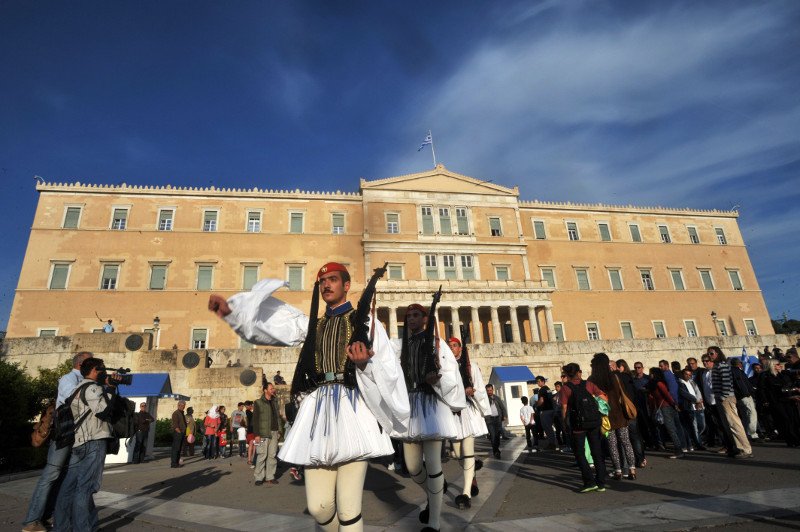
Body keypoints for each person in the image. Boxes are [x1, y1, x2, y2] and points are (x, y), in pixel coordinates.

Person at [209, 262, 409, 531]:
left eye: (333, 280)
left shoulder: (368, 323)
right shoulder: (312, 326)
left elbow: (389, 370)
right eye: (322, 280)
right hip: (318, 411)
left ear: (346, 286)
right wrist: (234, 313)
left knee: (350, 509)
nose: (326, 284)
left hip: (353, 410)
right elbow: (275, 325)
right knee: (319, 508)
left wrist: (365, 365)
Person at [390, 302, 465, 531]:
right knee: (413, 468)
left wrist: (438, 379)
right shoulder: (400, 346)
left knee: (433, 464)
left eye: (416, 315)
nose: (411, 319)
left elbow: (451, 372)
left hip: (431, 405)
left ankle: (434, 523)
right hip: (411, 406)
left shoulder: (437, 343)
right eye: (408, 316)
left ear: (425, 319)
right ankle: (435, 494)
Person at [22, 351, 93, 532]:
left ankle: (47, 515)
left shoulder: (82, 380)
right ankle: (32, 520)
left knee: (66, 477)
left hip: (76, 435)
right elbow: (73, 399)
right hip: (63, 434)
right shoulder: (69, 379)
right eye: (90, 362)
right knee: (51, 475)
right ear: (80, 364)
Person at [53, 357, 117, 531]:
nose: (104, 372)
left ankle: (61, 527)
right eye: (102, 369)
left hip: (78, 443)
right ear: (95, 371)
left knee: (69, 487)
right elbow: (103, 412)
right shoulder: (92, 388)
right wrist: (111, 389)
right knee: (85, 489)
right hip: (93, 442)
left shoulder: (76, 388)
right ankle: (83, 528)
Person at [447, 336, 489, 510]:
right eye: (449, 346)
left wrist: (473, 392)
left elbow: (480, 387)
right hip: (452, 414)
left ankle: (466, 493)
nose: (451, 348)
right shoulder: (444, 367)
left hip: (467, 412)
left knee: (468, 452)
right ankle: (472, 475)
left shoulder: (472, 368)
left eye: (455, 346)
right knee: (457, 454)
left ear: (460, 348)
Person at [560, 362, 608, 492]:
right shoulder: (589, 384)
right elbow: (604, 398)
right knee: (597, 451)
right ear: (578, 372)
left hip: (578, 425)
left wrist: (564, 423)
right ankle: (601, 482)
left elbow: (564, 408)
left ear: (567, 374)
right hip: (594, 422)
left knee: (580, 453)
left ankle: (589, 481)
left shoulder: (566, 388)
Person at [588, 353, 636, 480]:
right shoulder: (615, 377)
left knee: (612, 444)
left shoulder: (593, 380)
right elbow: (622, 394)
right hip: (619, 413)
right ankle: (632, 469)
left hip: (605, 416)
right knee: (626, 442)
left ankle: (618, 471)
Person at [708, 346, 753, 458]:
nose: (710, 356)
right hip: (722, 398)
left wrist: (723, 397)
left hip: (726, 399)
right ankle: (740, 448)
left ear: (718, 353)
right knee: (731, 424)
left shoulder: (722, 365)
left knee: (734, 424)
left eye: (711, 353)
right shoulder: (718, 365)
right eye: (709, 354)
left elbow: (726, 383)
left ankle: (746, 449)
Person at [646, 368, 685, 458]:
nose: (650, 375)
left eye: (651, 373)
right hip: (665, 407)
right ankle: (680, 448)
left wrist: (674, 404)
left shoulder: (659, 383)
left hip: (666, 407)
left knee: (671, 429)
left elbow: (667, 395)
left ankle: (679, 450)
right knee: (673, 428)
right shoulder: (653, 384)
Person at [252, 382, 280, 485]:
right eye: (271, 388)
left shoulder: (275, 401)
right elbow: (255, 420)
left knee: (272, 455)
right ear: (265, 390)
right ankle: (259, 477)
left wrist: (279, 430)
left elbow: (277, 417)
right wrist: (257, 435)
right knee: (262, 455)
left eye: (273, 388)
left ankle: (270, 476)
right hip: (263, 433)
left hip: (274, 432)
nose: (273, 390)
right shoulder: (258, 402)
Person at [678, 368, 705, 451]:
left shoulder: (692, 382)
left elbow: (697, 391)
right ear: (682, 374)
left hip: (698, 406)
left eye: (690, 375)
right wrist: (696, 400)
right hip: (690, 407)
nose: (688, 376)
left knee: (702, 425)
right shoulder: (680, 383)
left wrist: (699, 401)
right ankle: (698, 444)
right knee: (694, 427)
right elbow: (684, 394)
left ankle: (695, 439)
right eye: (686, 374)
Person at [485, 384, 507, 459]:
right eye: (488, 391)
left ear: (493, 390)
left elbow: (502, 407)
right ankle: (496, 451)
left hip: (498, 419)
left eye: (490, 390)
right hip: (489, 420)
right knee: (493, 435)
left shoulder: (497, 398)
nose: (489, 392)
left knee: (497, 436)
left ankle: (496, 448)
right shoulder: (485, 399)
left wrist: (504, 415)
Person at [535, 376, 557, 450]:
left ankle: (552, 443)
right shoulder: (548, 389)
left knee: (547, 428)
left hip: (545, 411)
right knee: (549, 428)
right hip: (551, 410)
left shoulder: (541, 390)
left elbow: (541, 401)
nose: (537, 383)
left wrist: (536, 405)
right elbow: (552, 398)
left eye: (538, 381)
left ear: (542, 381)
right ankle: (552, 442)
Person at [170, 401, 187, 467]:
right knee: (176, 448)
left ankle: (176, 463)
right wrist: (179, 432)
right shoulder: (176, 413)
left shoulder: (181, 413)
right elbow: (175, 425)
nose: (183, 407)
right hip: (178, 433)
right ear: (178, 405)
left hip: (182, 433)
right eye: (182, 405)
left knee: (179, 449)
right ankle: (173, 463)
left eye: (184, 405)